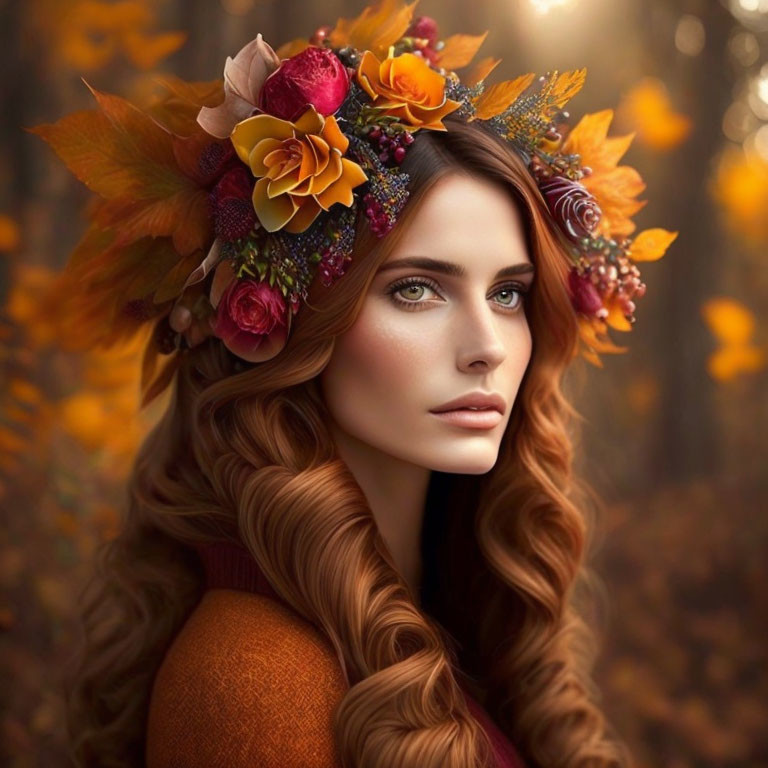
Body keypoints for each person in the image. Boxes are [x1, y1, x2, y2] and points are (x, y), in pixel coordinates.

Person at [33, 3, 675, 767]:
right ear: (289, 320)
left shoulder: (456, 599)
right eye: (416, 291)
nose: (487, 349)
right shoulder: (253, 687)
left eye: (507, 294)